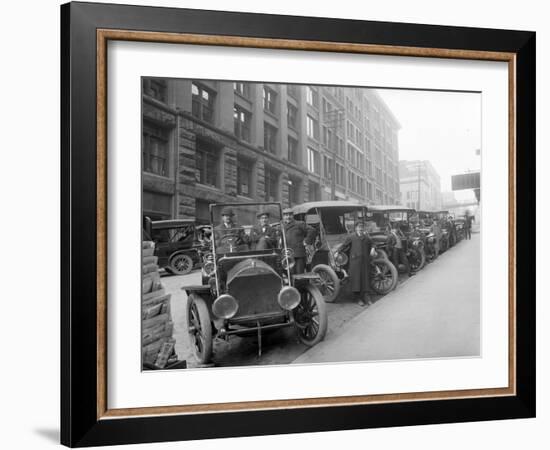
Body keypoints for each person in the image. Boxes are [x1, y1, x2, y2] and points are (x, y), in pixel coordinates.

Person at [342, 221, 372, 306]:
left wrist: (373, 248)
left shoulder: (366, 237)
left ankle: (367, 297)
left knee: (365, 279)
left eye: (362, 227)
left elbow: (372, 244)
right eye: (359, 227)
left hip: (365, 261)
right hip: (355, 262)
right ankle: (357, 298)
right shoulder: (351, 237)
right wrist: (337, 252)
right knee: (356, 280)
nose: (361, 228)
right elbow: (344, 245)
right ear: (356, 228)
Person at [282, 208, 316, 274]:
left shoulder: (300, 224)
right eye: (286, 215)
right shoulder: (281, 226)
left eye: (290, 215)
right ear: (283, 217)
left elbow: (312, 230)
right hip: (287, 254)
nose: (288, 217)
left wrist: (306, 241)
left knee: (299, 274)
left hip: (298, 254)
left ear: (293, 216)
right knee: (289, 275)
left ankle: (301, 284)